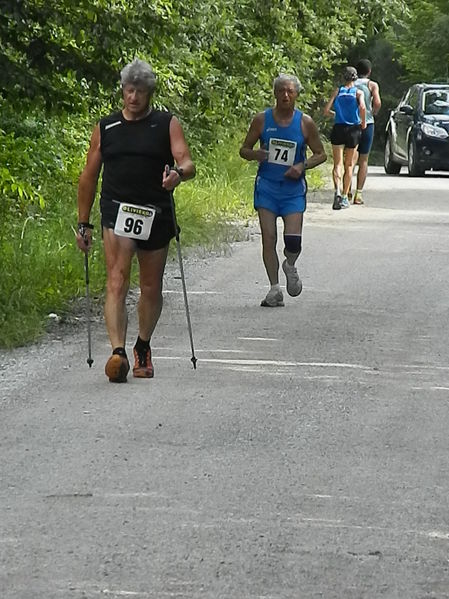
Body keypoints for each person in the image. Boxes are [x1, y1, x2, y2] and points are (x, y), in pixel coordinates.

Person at [76, 58, 195, 383]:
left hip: (155, 211)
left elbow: (186, 161)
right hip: (117, 210)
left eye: (140, 91)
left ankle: (143, 344)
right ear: (122, 91)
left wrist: (177, 175)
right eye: (129, 90)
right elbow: (88, 177)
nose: (134, 97)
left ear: (149, 93)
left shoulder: (166, 123)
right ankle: (118, 352)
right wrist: (83, 223)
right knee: (116, 278)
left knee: (150, 285)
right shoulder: (106, 128)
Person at [239, 73, 327, 308]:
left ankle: (290, 264)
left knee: (293, 241)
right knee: (268, 238)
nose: (285, 95)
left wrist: (302, 165)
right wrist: (256, 154)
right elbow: (244, 149)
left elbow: (321, 153)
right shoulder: (262, 120)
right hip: (267, 187)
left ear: (296, 94)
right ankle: (274, 289)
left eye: (290, 91)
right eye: (281, 91)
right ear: (275, 93)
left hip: (293, 190)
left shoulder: (304, 122)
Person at [323, 66, 366, 210]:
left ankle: (336, 191)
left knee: (338, 164)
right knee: (349, 165)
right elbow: (363, 108)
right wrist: (363, 122)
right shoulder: (358, 93)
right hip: (353, 129)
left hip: (338, 127)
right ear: (355, 78)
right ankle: (344, 196)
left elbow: (326, 110)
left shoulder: (338, 91)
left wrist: (336, 115)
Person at [351, 59, 381, 204]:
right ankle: (359, 193)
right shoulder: (372, 85)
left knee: (350, 158)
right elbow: (378, 102)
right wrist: (373, 112)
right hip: (367, 123)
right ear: (369, 71)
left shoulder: (350, 84)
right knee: (363, 160)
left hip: (351, 124)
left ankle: (346, 190)